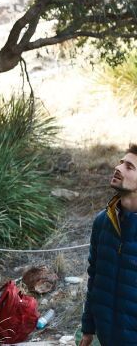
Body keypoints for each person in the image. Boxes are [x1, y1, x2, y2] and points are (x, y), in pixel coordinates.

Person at [80, 144, 137, 346]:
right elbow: (95, 276)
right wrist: (87, 329)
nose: (118, 168)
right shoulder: (102, 222)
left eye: (129, 167)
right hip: (106, 338)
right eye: (121, 163)